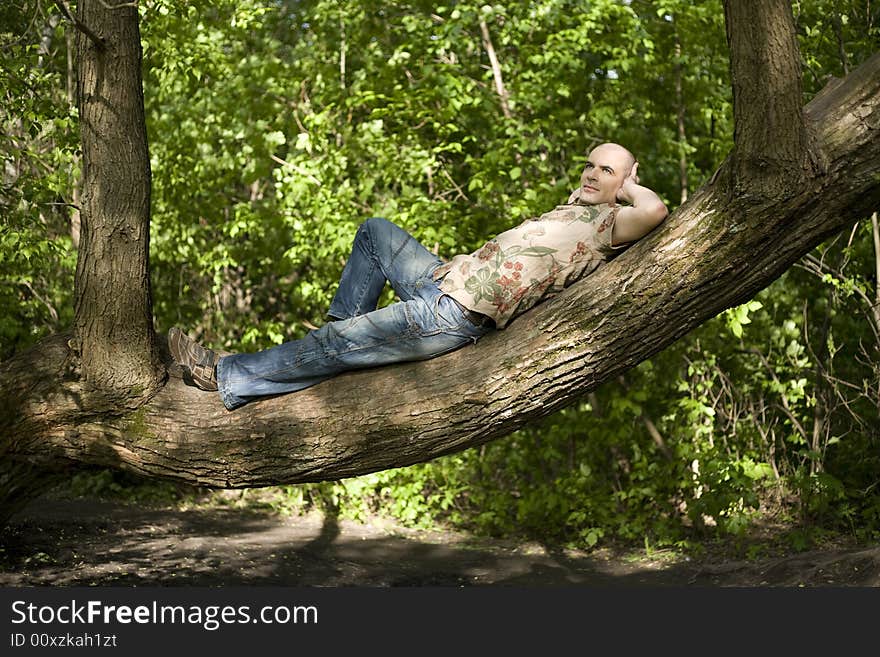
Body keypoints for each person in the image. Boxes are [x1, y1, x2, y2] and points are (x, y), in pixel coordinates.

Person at [169, 142, 668, 410]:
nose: (590, 174)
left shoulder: (607, 225)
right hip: (442, 280)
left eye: (605, 170)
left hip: (453, 314)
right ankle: (338, 340)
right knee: (376, 232)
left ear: (623, 180)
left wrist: (631, 188)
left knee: (337, 340)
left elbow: (656, 211)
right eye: (589, 165)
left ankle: (224, 374)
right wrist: (467, 262)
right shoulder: (569, 213)